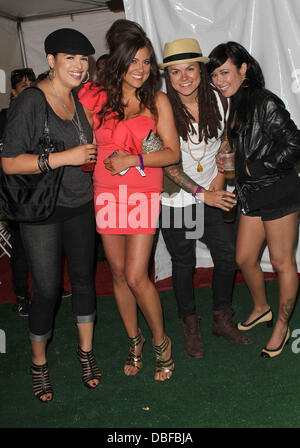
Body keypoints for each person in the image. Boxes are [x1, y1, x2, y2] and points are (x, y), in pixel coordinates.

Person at [1, 28, 101, 402]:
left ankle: (86, 354)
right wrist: (64, 158)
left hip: (80, 205)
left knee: (84, 282)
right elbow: (10, 163)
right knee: (46, 291)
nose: (78, 65)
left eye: (82, 59)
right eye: (69, 58)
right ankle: (39, 363)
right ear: (51, 61)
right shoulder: (30, 101)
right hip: (42, 210)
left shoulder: (77, 101)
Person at [79, 19, 179, 381]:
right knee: (118, 274)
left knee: (138, 276)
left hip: (141, 194)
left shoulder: (157, 100)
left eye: (146, 62)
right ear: (118, 62)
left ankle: (160, 341)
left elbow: (171, 154)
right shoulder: (99, 99)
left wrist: (132, 159)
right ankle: (133, 340)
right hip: (106, 194)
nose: (141, 69)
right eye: (134, 61)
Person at [158, 38, 251, 358]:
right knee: (183, 263)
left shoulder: (219, 98)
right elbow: (167, 164)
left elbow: (224, 141)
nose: (184, 77)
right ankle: (190, 325)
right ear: (167, 77)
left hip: (214, 190)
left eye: (190, 69)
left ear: (201, 70)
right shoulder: (162, 107)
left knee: (228, 256)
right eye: (175, 72)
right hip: (177, 200)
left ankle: (221, 318)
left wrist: (219, 177)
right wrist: (203, 194)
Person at [208, 41, 300, 358]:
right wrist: (230, 158)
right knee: (245, 258)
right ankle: (262, 307)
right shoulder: (237, 102)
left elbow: (294, 143)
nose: (219, 81)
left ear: (243, 69)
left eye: (224, 72)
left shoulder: (264, 101)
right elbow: (249, 144)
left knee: (281, 262)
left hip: (277, 190)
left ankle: (282, 324)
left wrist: (251, 166)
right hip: (251, 193)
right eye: (215, 76)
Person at [0, 68, 36, 316]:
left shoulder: (40, 113)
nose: (30, 90)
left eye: (32, 85)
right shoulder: (4, 118)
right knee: (22, 247)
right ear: (13, 92)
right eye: (24, 86)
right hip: (15, 194)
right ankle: (22, 295)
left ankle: (53, 287)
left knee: (51, 244)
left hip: (42, 192)